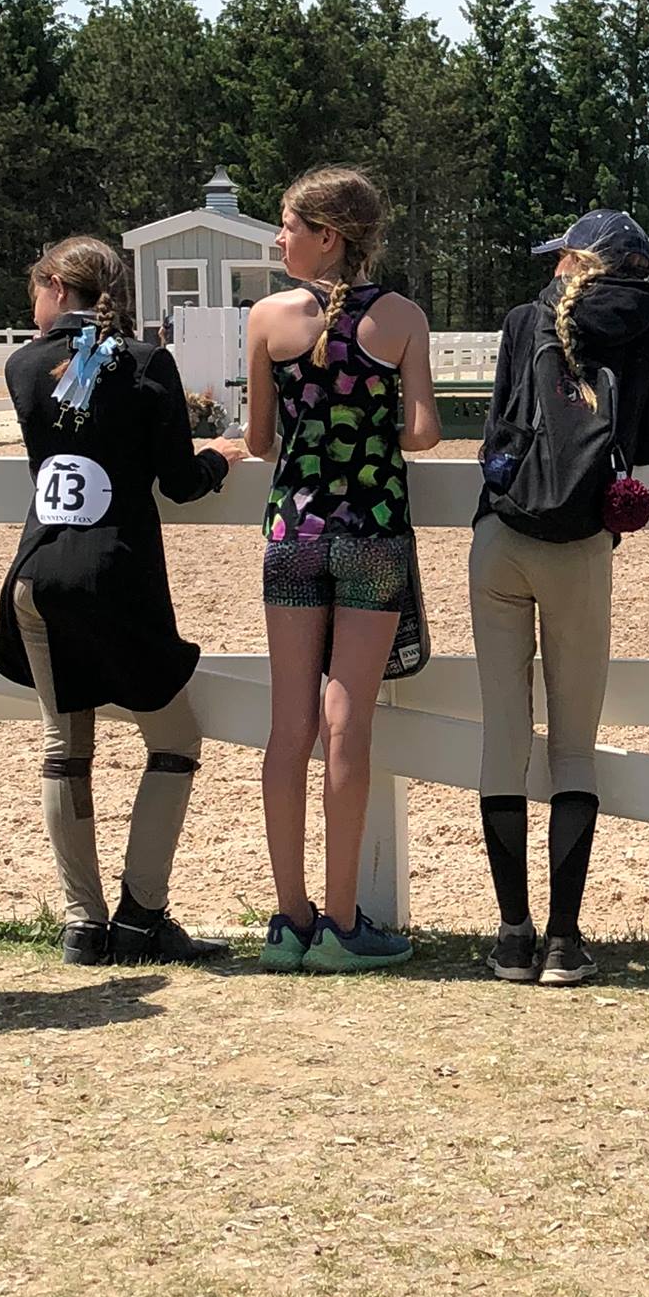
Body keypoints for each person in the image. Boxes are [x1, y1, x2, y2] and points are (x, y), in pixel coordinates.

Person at [0, 236, 241, 966]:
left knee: (64, 750)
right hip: (116, 576)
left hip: (37, 573)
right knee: (174, 741)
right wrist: (217, 459)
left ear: (55, 287)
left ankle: (82, 923)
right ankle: (141, 916)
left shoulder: (21, 365)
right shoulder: (145, 362)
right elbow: (179, 483)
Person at [244, 166, 440, 975]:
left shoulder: (267, 319)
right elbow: (423, 432)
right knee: (346, 724)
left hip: (294, 532)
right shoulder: (402, 318)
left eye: (289, 225)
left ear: (327, 236)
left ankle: (288, 920)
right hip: (372, 532)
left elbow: (259, 441)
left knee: (287, 726)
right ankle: (341, 921)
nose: (279, 238)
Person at [471, 208, 649, 986]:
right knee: (574, 746)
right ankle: (564, 940)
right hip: (583, 542)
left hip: (502, 535)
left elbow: (498, 426)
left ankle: (511, 936)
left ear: (575, 262)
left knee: (504, 736)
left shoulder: (526, 319)